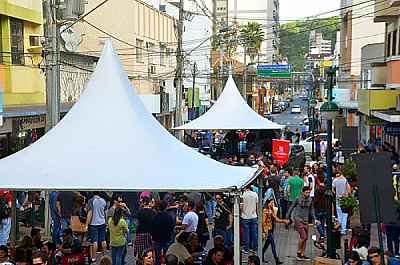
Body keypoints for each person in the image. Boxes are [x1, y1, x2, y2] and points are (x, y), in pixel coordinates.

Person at [286, 187, 319, 261]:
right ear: (303, 192)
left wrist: (315, 219)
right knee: (303, 236)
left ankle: (302, 254)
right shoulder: (298, 198)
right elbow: (291, 207)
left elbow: (312, 210)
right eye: (306, 192)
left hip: (306, 220)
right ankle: (298, 252)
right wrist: (287, 217)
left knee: (306, 238)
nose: (308, 194)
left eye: (308, 192)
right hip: (298, 219)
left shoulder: (310, 199)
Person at [262, 199, 288, 264]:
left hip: (271, 229)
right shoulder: (265, 211)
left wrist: (283, 221)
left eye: (273, 202)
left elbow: (276, 219)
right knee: (273, 244)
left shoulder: (271, 210)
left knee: (267, 244)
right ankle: (276, 259)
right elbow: (263, 222)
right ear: (268, 203)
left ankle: (261, 254)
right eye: (271, 202)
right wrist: (265, 231)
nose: (272, 204)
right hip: (268, 230)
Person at [151, 200, 175, 265]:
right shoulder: (169, 217)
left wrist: (153, 237)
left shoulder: (155, 217)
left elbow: (152, 228)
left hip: (156, 239)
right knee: (167, 256)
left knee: (157, 257)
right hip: (166, 239)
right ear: (166, 207)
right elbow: (172, 227)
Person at [86, 191, 107, 262]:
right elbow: (104, 212)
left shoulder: (91, 201)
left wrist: (86, 224)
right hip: (102, 222)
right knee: (103, 240)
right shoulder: (103, 201)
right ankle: (104, 256)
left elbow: (90, 213)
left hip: (93, 224)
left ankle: (94, 257)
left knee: (95, 241)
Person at [241, 185, 258, 254]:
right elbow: (257, 205)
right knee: (254, 233)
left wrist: (242, 212)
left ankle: (246, 248)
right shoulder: (255, 194)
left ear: (245, 188)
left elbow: (241, 206)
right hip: (254, 216)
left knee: (246, 233)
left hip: (245, 217)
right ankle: (255, 248)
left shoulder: (243, 195)